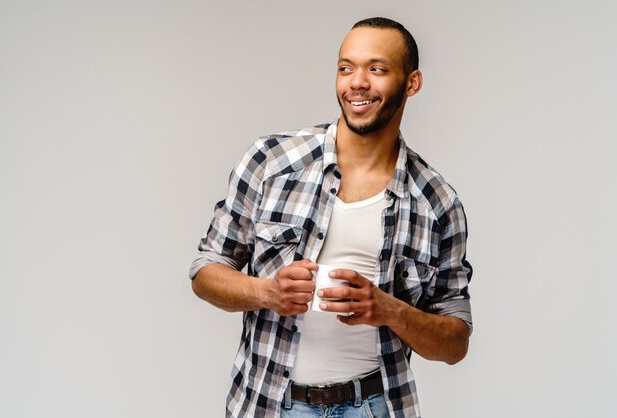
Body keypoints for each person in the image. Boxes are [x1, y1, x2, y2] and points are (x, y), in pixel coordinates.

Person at [189, 17, 473, 418]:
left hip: (374, 406)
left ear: (411, 83)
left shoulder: (437, 203)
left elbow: (455, 341)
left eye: (376, 69)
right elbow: (205, 271)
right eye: (346, 68)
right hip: (270, 403)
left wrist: (387, 309)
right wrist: (266, 292)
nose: (356, 82)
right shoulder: (272, 161)